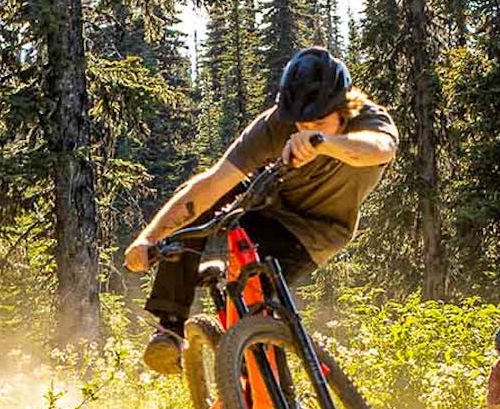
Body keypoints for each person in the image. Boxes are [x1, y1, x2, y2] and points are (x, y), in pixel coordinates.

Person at [124, 47, 398, 374]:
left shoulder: (369, 121)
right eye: (301, 122)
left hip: (317, 233)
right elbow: (212, 184)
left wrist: (322, 142)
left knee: (256, 304)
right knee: (197, 204)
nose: (306, 127)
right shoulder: (274, 127)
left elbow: (378, 150)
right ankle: (170, 327)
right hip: (266, 200)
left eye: (319, 120)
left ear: (345, 107)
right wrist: (149, 238)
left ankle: (265, 401)